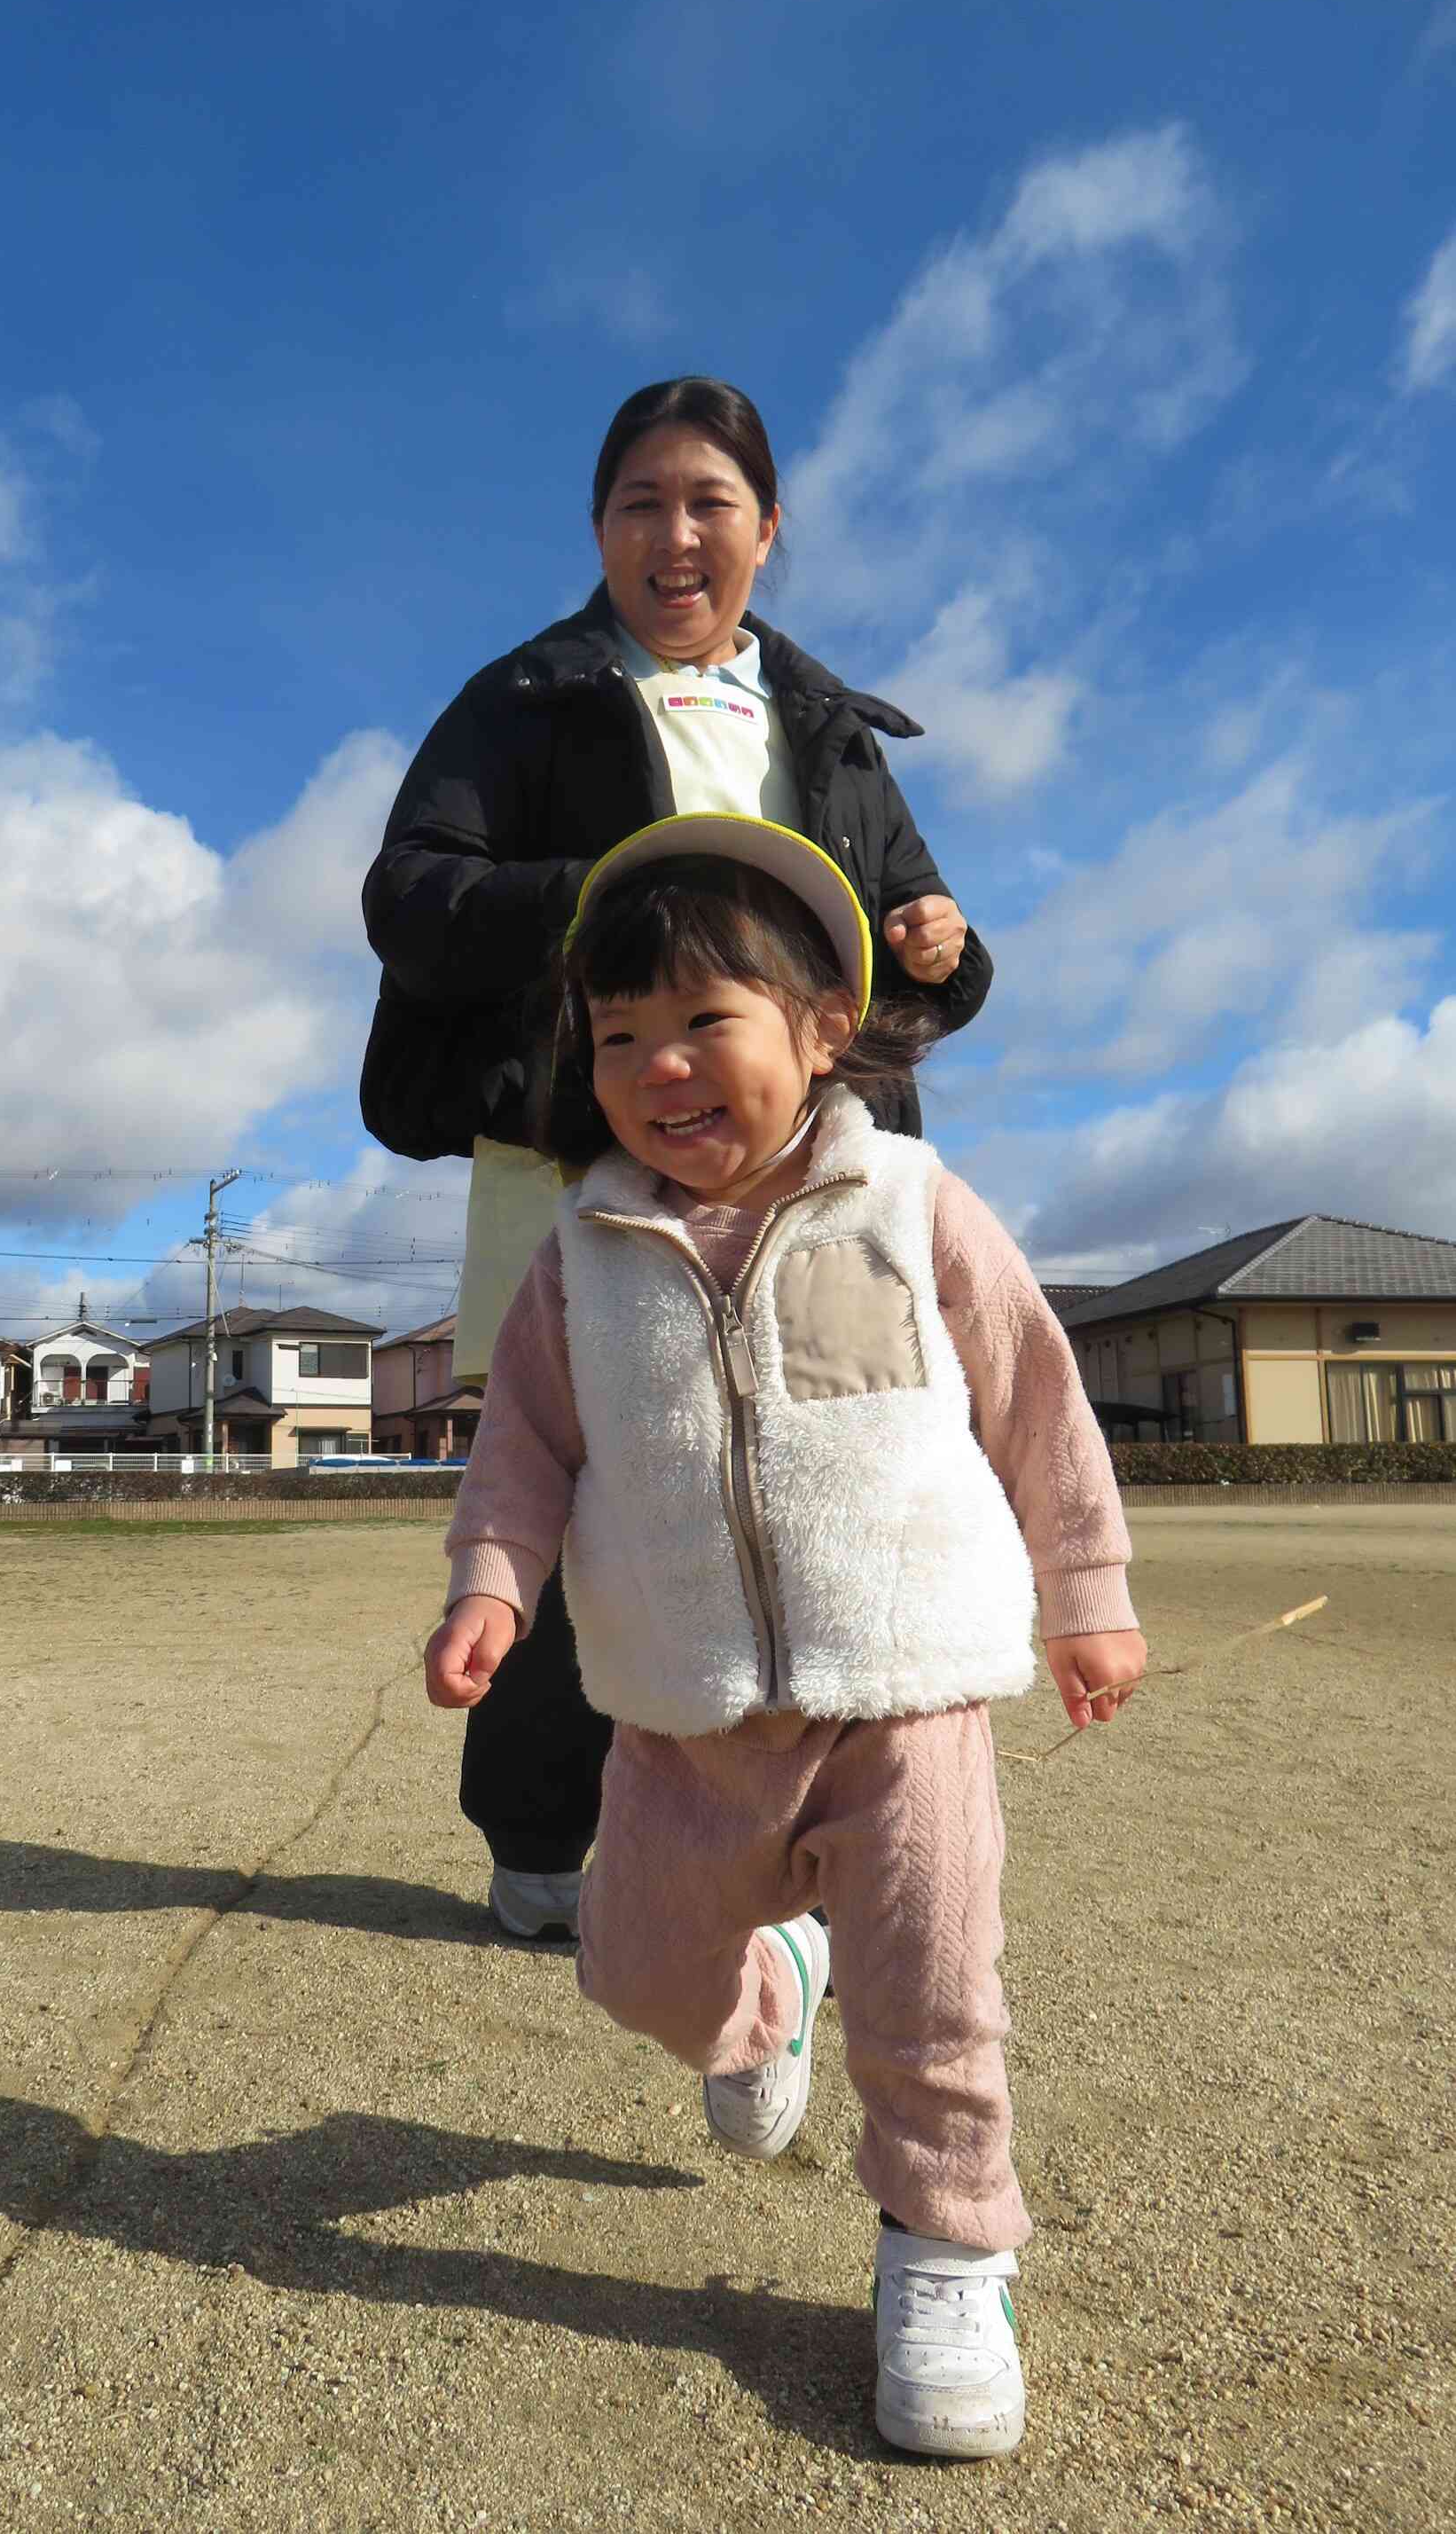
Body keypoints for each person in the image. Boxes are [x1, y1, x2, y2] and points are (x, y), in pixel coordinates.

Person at [422, 816, 1143, 2459]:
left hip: (904, 1693)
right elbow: (523, 1448)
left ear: (824, 1027)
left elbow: (1035, 1400)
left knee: (938, 1992)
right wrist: (489, 1581)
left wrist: (1087, 1596)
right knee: (638, 1973)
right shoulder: (579, 1258)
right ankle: (768, 1993)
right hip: (680, 1712)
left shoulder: (909, 1202)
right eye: (617, 1037)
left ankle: (949, 2249)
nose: (658, 1068)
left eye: (703, 1022)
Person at [361, 376, 994, 1942]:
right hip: (584, 1143)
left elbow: (912, 943)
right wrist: (613, 890)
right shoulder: (527, 699)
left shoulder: (829, 726)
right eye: (639, 503)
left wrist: (944, 947)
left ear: (767, 531)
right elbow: (408, 893)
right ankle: (533, 1839)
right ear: (598, 531)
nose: (674, 533)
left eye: (709, 501)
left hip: (810, 1175)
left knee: (824, 1483)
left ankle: (808, 1859)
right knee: (578, 1497)